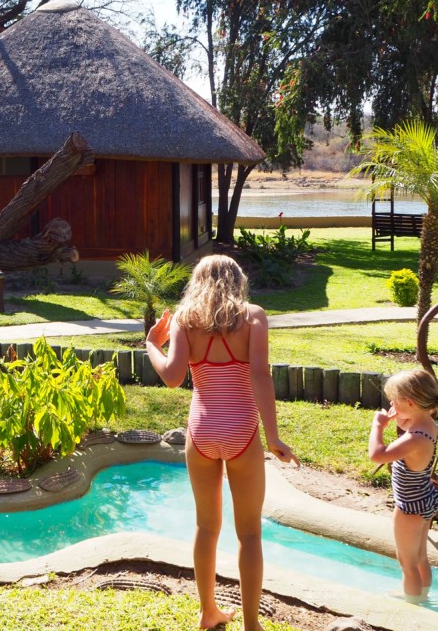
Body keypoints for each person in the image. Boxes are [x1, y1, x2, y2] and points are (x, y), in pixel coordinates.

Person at [146, 254, 298, 631]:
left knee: (206, 527)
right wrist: (274, 436)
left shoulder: (184, 320)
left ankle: (208, 611)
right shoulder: (254, 317)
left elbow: (172, 377)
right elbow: (260, 376)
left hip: (200, 433)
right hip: (242, 430)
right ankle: (251, 625)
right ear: (237, 280)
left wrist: (151, 343)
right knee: (248, 533)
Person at [368, 368, 438, 604]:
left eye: (395, 401)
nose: (391, 404)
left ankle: (412, 603)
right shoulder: (427, 424)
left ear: (410, 403)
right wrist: (400, 416)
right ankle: (423, 595)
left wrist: (378, 426)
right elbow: (408, 427)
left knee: (406, 562)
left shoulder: (414, 439)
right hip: (425, 499)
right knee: (420, 556)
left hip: (409, 506)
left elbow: (377, 455)